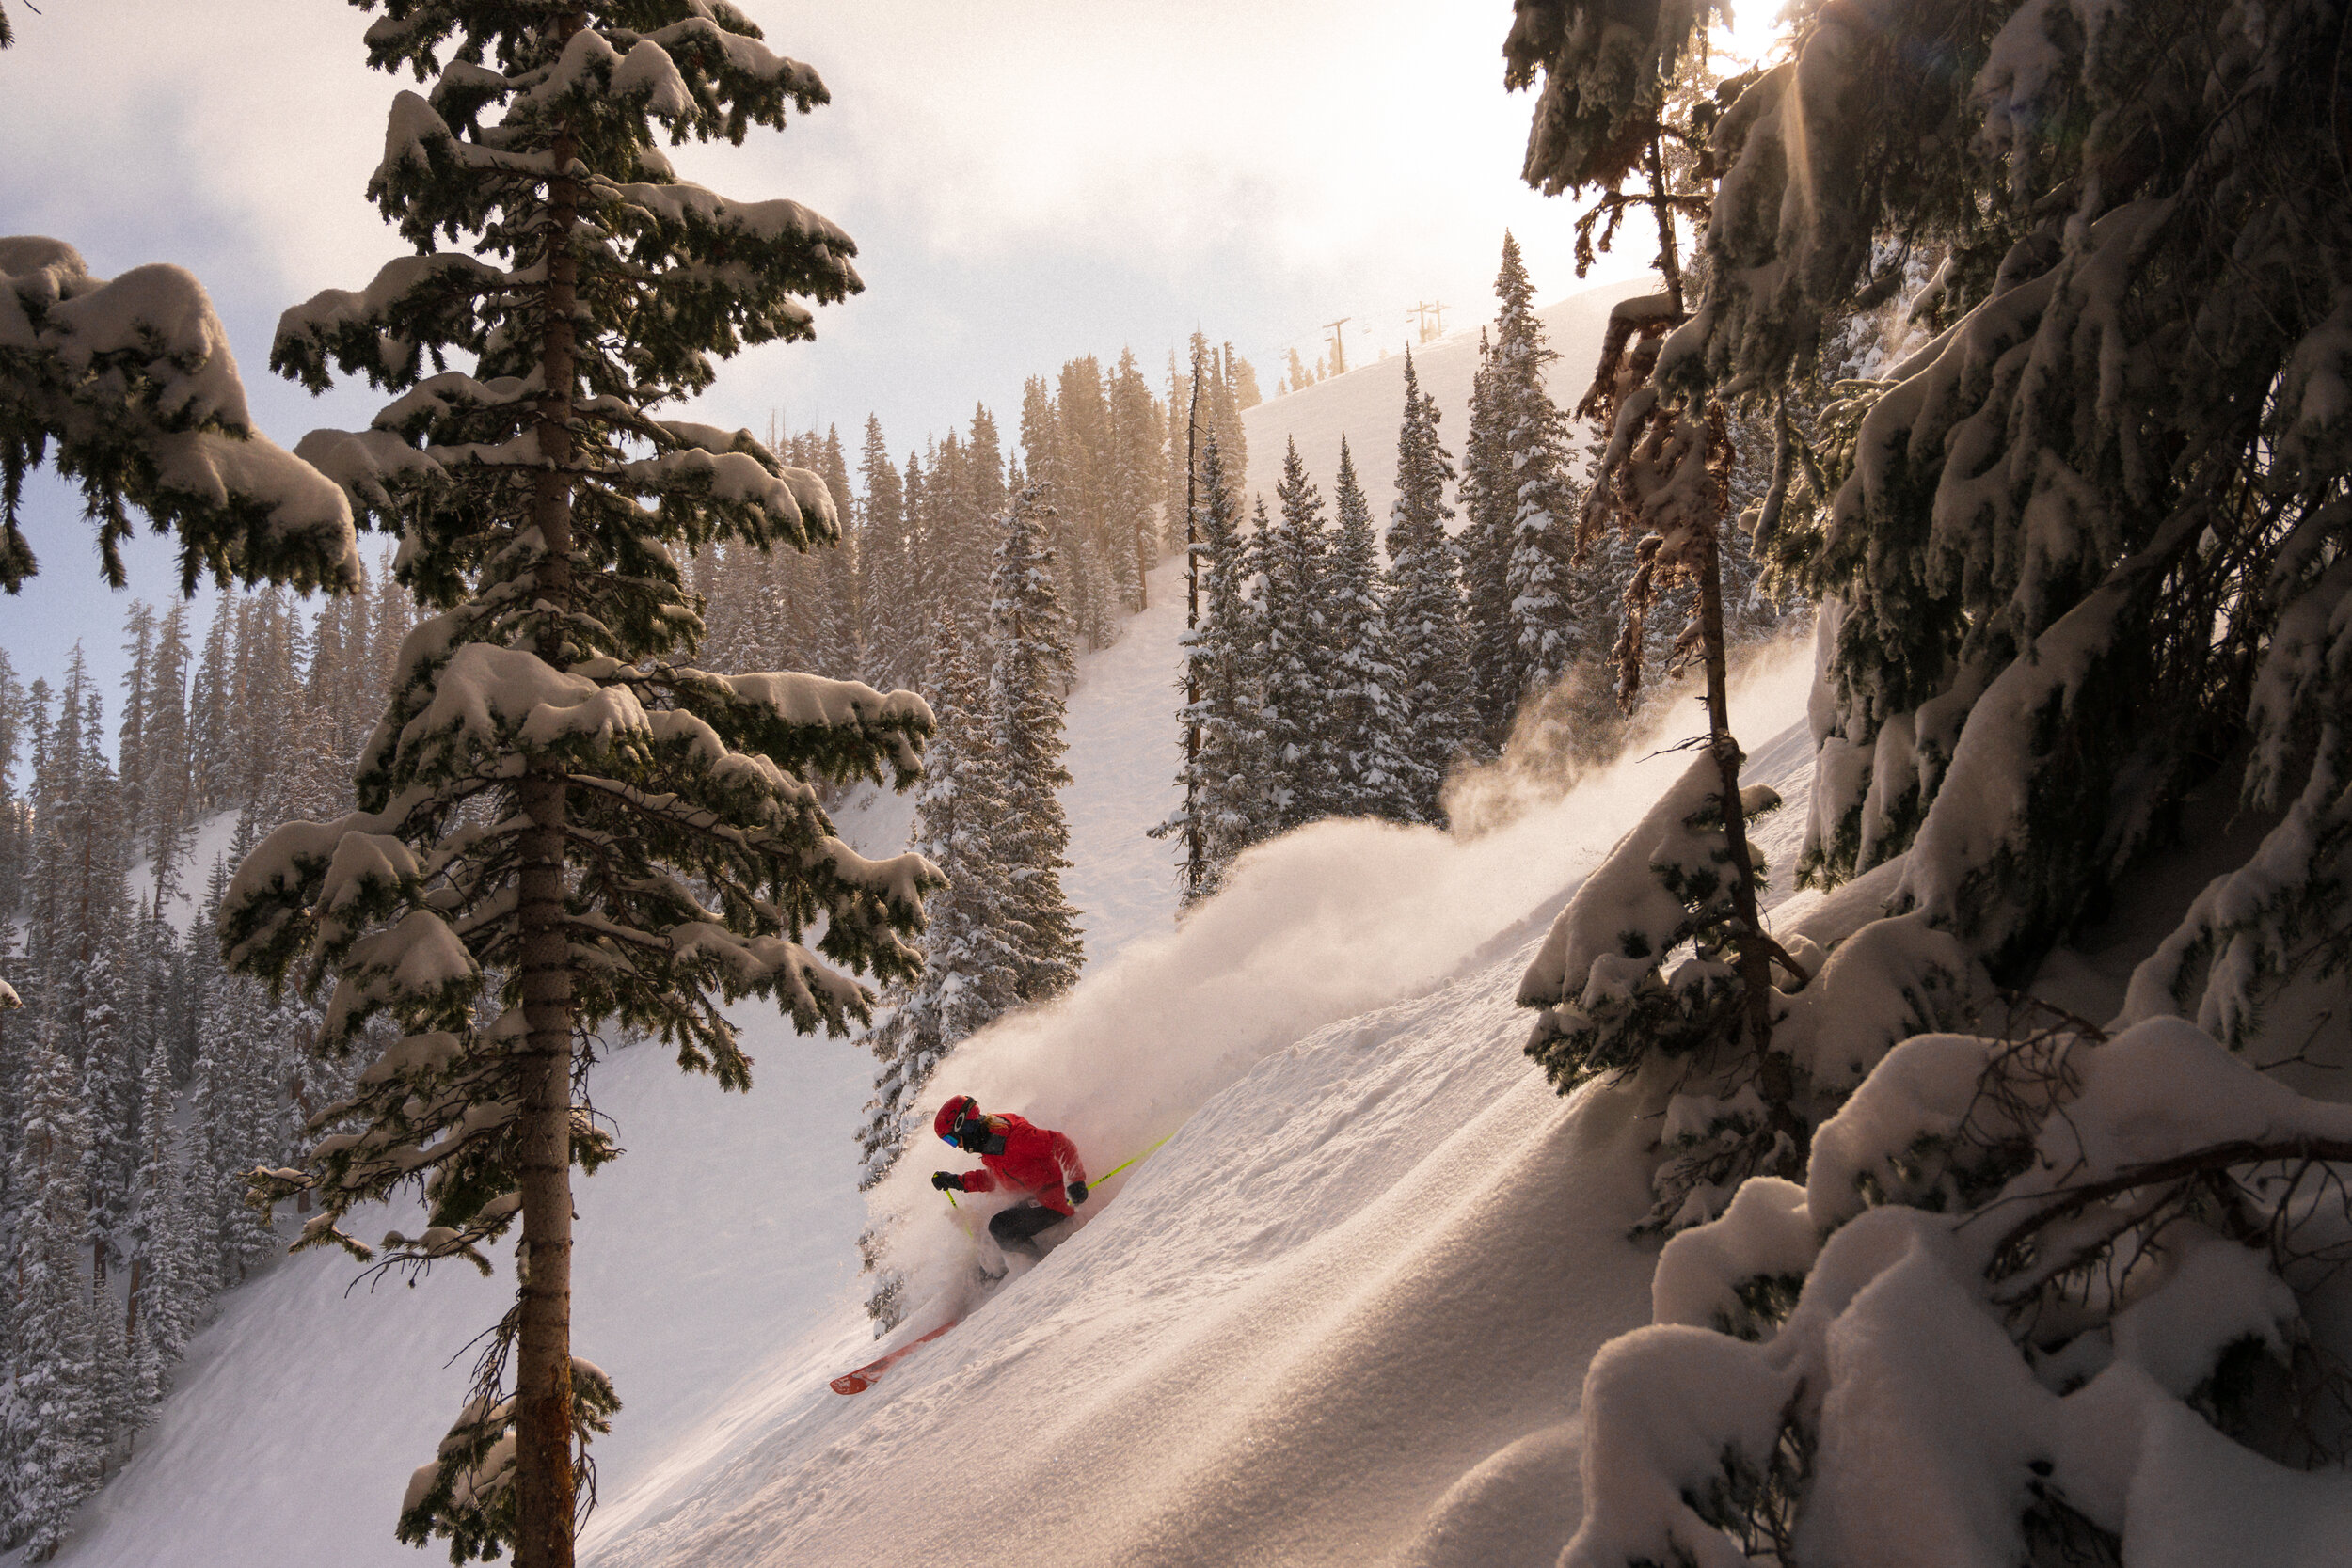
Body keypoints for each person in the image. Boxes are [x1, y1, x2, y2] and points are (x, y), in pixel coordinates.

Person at [931, 1095, 1089, 1259]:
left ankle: (1040, 1267)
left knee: (1001, 1228)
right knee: (996, 1227)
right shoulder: (991, 1143)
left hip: (1060, 1198)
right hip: (1040, 1198)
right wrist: (956, 1181)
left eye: (952, 1139)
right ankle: (1006, 1268)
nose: (957, 1145)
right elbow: (995, 1178)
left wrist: (1075, 1181)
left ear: (964, 1126)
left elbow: (1062, 1144)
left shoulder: (1016, 1138)